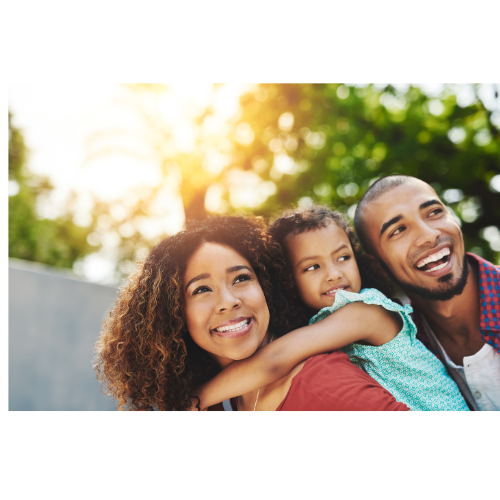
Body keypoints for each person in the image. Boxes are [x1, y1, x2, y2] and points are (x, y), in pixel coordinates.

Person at [94, 216, 408, 412]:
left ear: (268, 288)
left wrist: (197, 398)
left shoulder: (319, 383)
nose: (228, 301)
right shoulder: (237, 396)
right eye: (202, 289)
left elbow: (274, 362)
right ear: (172, 315)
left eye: (241, 278)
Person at [193, 207, 469, 412]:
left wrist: (193, 400)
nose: (334, 273)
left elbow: (275, 360)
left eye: (343, 257)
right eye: (313, 266)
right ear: (288, 280)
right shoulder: (321, 322)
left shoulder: (366, 309)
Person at [353, 175, 500, 412]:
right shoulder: (404, 356)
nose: (429, 235)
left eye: (434, 212)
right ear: (377, 265)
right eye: (398, 230)